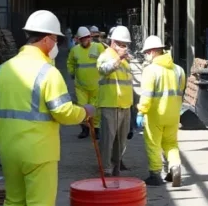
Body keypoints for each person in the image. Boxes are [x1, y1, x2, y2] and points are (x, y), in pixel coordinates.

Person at [0, 10, 94, 206]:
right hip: (38, 151)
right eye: (56, 40)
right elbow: (62, 111)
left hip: (9, 149)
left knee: (13, 201)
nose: (57, 46)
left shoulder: (2, 70)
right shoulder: (48, 73)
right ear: (48, 39)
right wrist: (84, 112)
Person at [137, 36, 186, 187]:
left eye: (146, 52)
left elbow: (146, 96)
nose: (146, 55)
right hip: (173, 115)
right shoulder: (179, 70)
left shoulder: (150, 71)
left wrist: (140, 112)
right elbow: (181, 91)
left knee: (153, 144)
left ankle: (155, 174)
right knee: (171, 143)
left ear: (152, 52)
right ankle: (175, 167)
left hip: (155, 115)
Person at [97, 25, 134, 176]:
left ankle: (116, 165)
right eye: (122, 44)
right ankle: (105, 168)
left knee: (121, 141)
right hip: (110, 104)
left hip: (125, 105)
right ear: (113, 43)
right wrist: (118, 59)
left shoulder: (125, 61)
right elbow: (103, 69)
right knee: (107, 140)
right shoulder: (106, 55)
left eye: (126, 45)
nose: (124, 48)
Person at [66, 26, 104, 138]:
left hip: (96, 85)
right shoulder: (75, 50)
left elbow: (106, 60)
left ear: (90, 37)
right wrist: (72, 72)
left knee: (96, 108)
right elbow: (70, 63)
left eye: (87, 38)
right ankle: (85, 129)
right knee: (82, 108)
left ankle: (96, 129)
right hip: (81, 86)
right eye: (82, 39)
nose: (85, 41)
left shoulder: (98, 47)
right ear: (78, 39)